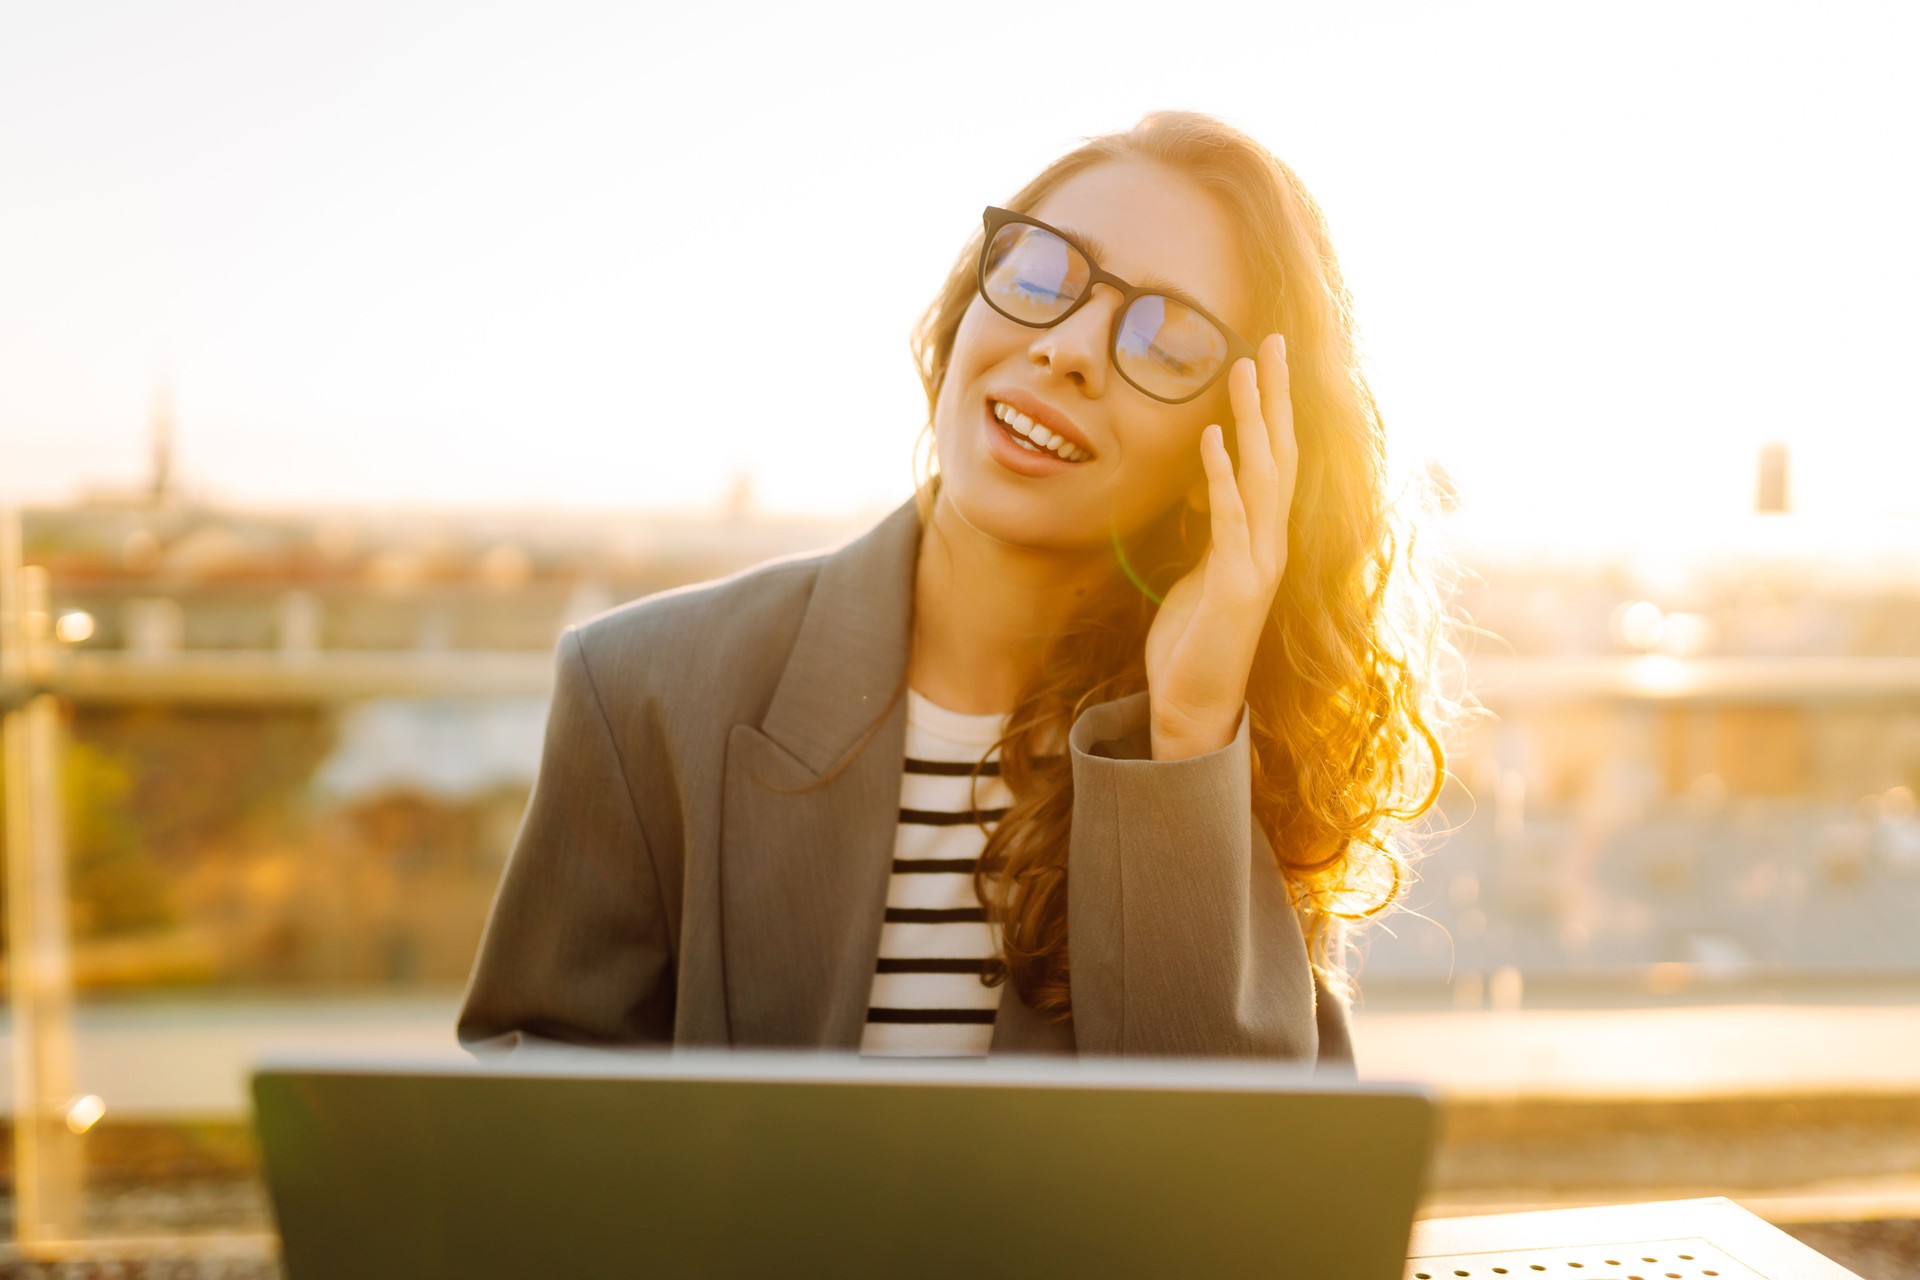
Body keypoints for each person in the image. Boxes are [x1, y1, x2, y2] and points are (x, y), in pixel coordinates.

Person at [457, 111, 1445, 1066]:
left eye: (1163, 338)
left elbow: (1249, 1182)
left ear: (1228, 447)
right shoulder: (641, 690)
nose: (1065, 347)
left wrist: (1186, 736)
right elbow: (531, 1125)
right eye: (1042, 271)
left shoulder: (1240, 742)